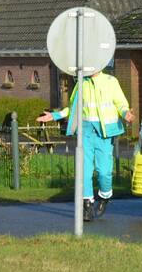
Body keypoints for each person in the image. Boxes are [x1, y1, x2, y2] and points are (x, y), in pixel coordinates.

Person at [36, 65, 134, 221]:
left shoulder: (111, 81)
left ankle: (105, 195)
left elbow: (121, 104)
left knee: (104, 172)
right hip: (86, 131)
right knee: (85, 170)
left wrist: (126, 113)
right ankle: (87, 205)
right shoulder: (81, 83)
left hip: (105, 132)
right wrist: (55, 116)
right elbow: (72, 108)